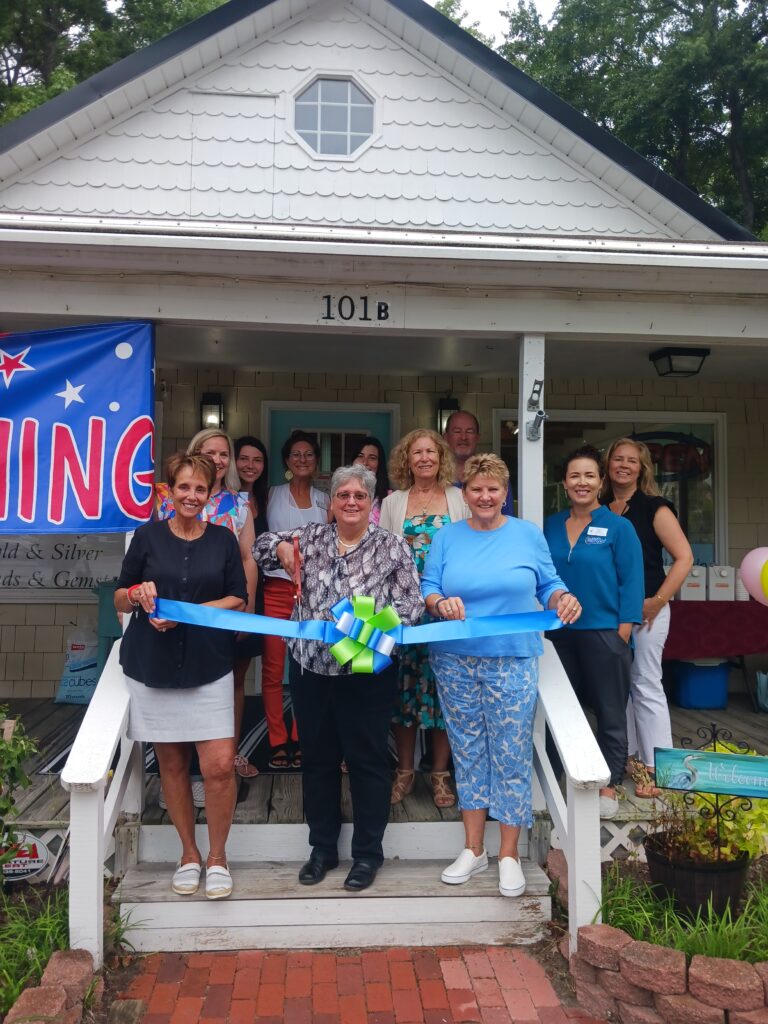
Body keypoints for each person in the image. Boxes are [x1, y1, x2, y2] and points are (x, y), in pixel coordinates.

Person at [253, 465, 424, 891]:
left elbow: (412, 605)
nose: (351, 502)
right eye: (343, 495)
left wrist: (367, 634)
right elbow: (260, 546)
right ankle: (322, 849)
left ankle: (368, 854)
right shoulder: (308, 537)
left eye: (359, 496)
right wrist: (282, 551)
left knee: (367, 761)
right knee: (317, 759)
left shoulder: (392, 546)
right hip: (312, 668)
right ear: (330, 503)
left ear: (371, 505)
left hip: (366, 671)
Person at [421, 454, 579, 896]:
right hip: (454, 658)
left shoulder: (527, 535)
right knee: (467, 749)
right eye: (476, 489)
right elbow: (428, 587)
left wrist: (562, 597)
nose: (485, 496)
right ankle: (474, 849)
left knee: (509, 751)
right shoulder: (447, 537)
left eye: (493, 489)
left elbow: (548, 584)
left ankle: (508, 852)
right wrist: (439, 604)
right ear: (464, 493)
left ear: (505, 493)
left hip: (512, 657)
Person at [115, 453, 247, 899]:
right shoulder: (146, 537)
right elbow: (119, 597)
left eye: (201, 489)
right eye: (184, 487)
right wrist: (137, 594)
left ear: (211, 496)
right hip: (153, 664)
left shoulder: (224, 540)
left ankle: (218, 856)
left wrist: (186, 615)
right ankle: (189, 853)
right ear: (168, 491)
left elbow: (238, 598)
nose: (192, 496)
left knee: (219, 767)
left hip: (209, 664)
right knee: (171, 764)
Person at [543, 445, 644, 819]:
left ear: (600, 482)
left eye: (589, 475)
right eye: (574, 476)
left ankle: (609, 783)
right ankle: (561, 777)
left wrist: (622, 632)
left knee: (609, 711)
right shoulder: (550, 525)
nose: (581, 482)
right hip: (558, 633)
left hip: (604, 632)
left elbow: (632, 581)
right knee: (561, 709)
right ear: (565, 483)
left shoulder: (619, 526)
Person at [156, 428, 257, 794]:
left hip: (223, 611)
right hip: (174, 614)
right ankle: (180, 771)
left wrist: (246, 609)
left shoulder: (239, 504)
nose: (217, 460)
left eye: (223, 454)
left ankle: (220, 766)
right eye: (210, 452)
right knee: (178, 690)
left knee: (228, 686)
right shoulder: (167, 499)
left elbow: (248, 558)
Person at [379, 428, 467, 808]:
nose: (425, 458)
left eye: (431, 451)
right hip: (403, 614)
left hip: (446, 611)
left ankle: (440, 774)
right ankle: (404, 770)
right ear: (407, 460)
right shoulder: (393, 502)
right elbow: (380, 557)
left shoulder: (458, 498)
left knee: (442, 691)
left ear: (441, 457)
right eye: (417, 452)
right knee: (404, 693)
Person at [602, 437, 694, 797]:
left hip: (647, 611)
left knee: (645, 682)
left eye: (632, 461)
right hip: (610, 611)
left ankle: (659, 768)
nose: (623, 465)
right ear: (608, 465)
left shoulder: (655, 508)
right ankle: (628, 758)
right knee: (617, 687)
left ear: (642, 469)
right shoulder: (599, 507)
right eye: (617, 459)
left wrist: (657, 600)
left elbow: (684, 557)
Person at [262, 430, 330, 769]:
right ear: (287, 461)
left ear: (316, 461)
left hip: (313, 597)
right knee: (274, 670)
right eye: (296, 454)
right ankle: (277, 739)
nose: (302, 459)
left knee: (307, 669)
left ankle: (303, 736)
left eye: (309, 454)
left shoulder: (325, 500)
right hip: (276, 591)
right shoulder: (270, 494)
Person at [231, 435, 270, 778]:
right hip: (222, 597)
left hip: (254, 596)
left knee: (238, 678)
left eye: (257, 460)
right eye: (243, 458)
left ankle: (232, 751)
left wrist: (251, 604)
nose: (250, 466)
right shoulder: (224, 502)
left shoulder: (265, 498)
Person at [443, 410, 513, 516]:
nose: (463, 437)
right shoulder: (436, 476)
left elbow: (507, 519)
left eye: (470, 431)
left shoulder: (496, 475)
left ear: (477, 437)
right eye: (457, 431)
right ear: (446, 437)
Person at [353, 437, 391, 525]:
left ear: (379, 463)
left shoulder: (390, 499)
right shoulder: (341, 495)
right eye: (360, 456)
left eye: (372, 458)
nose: (365, 462)